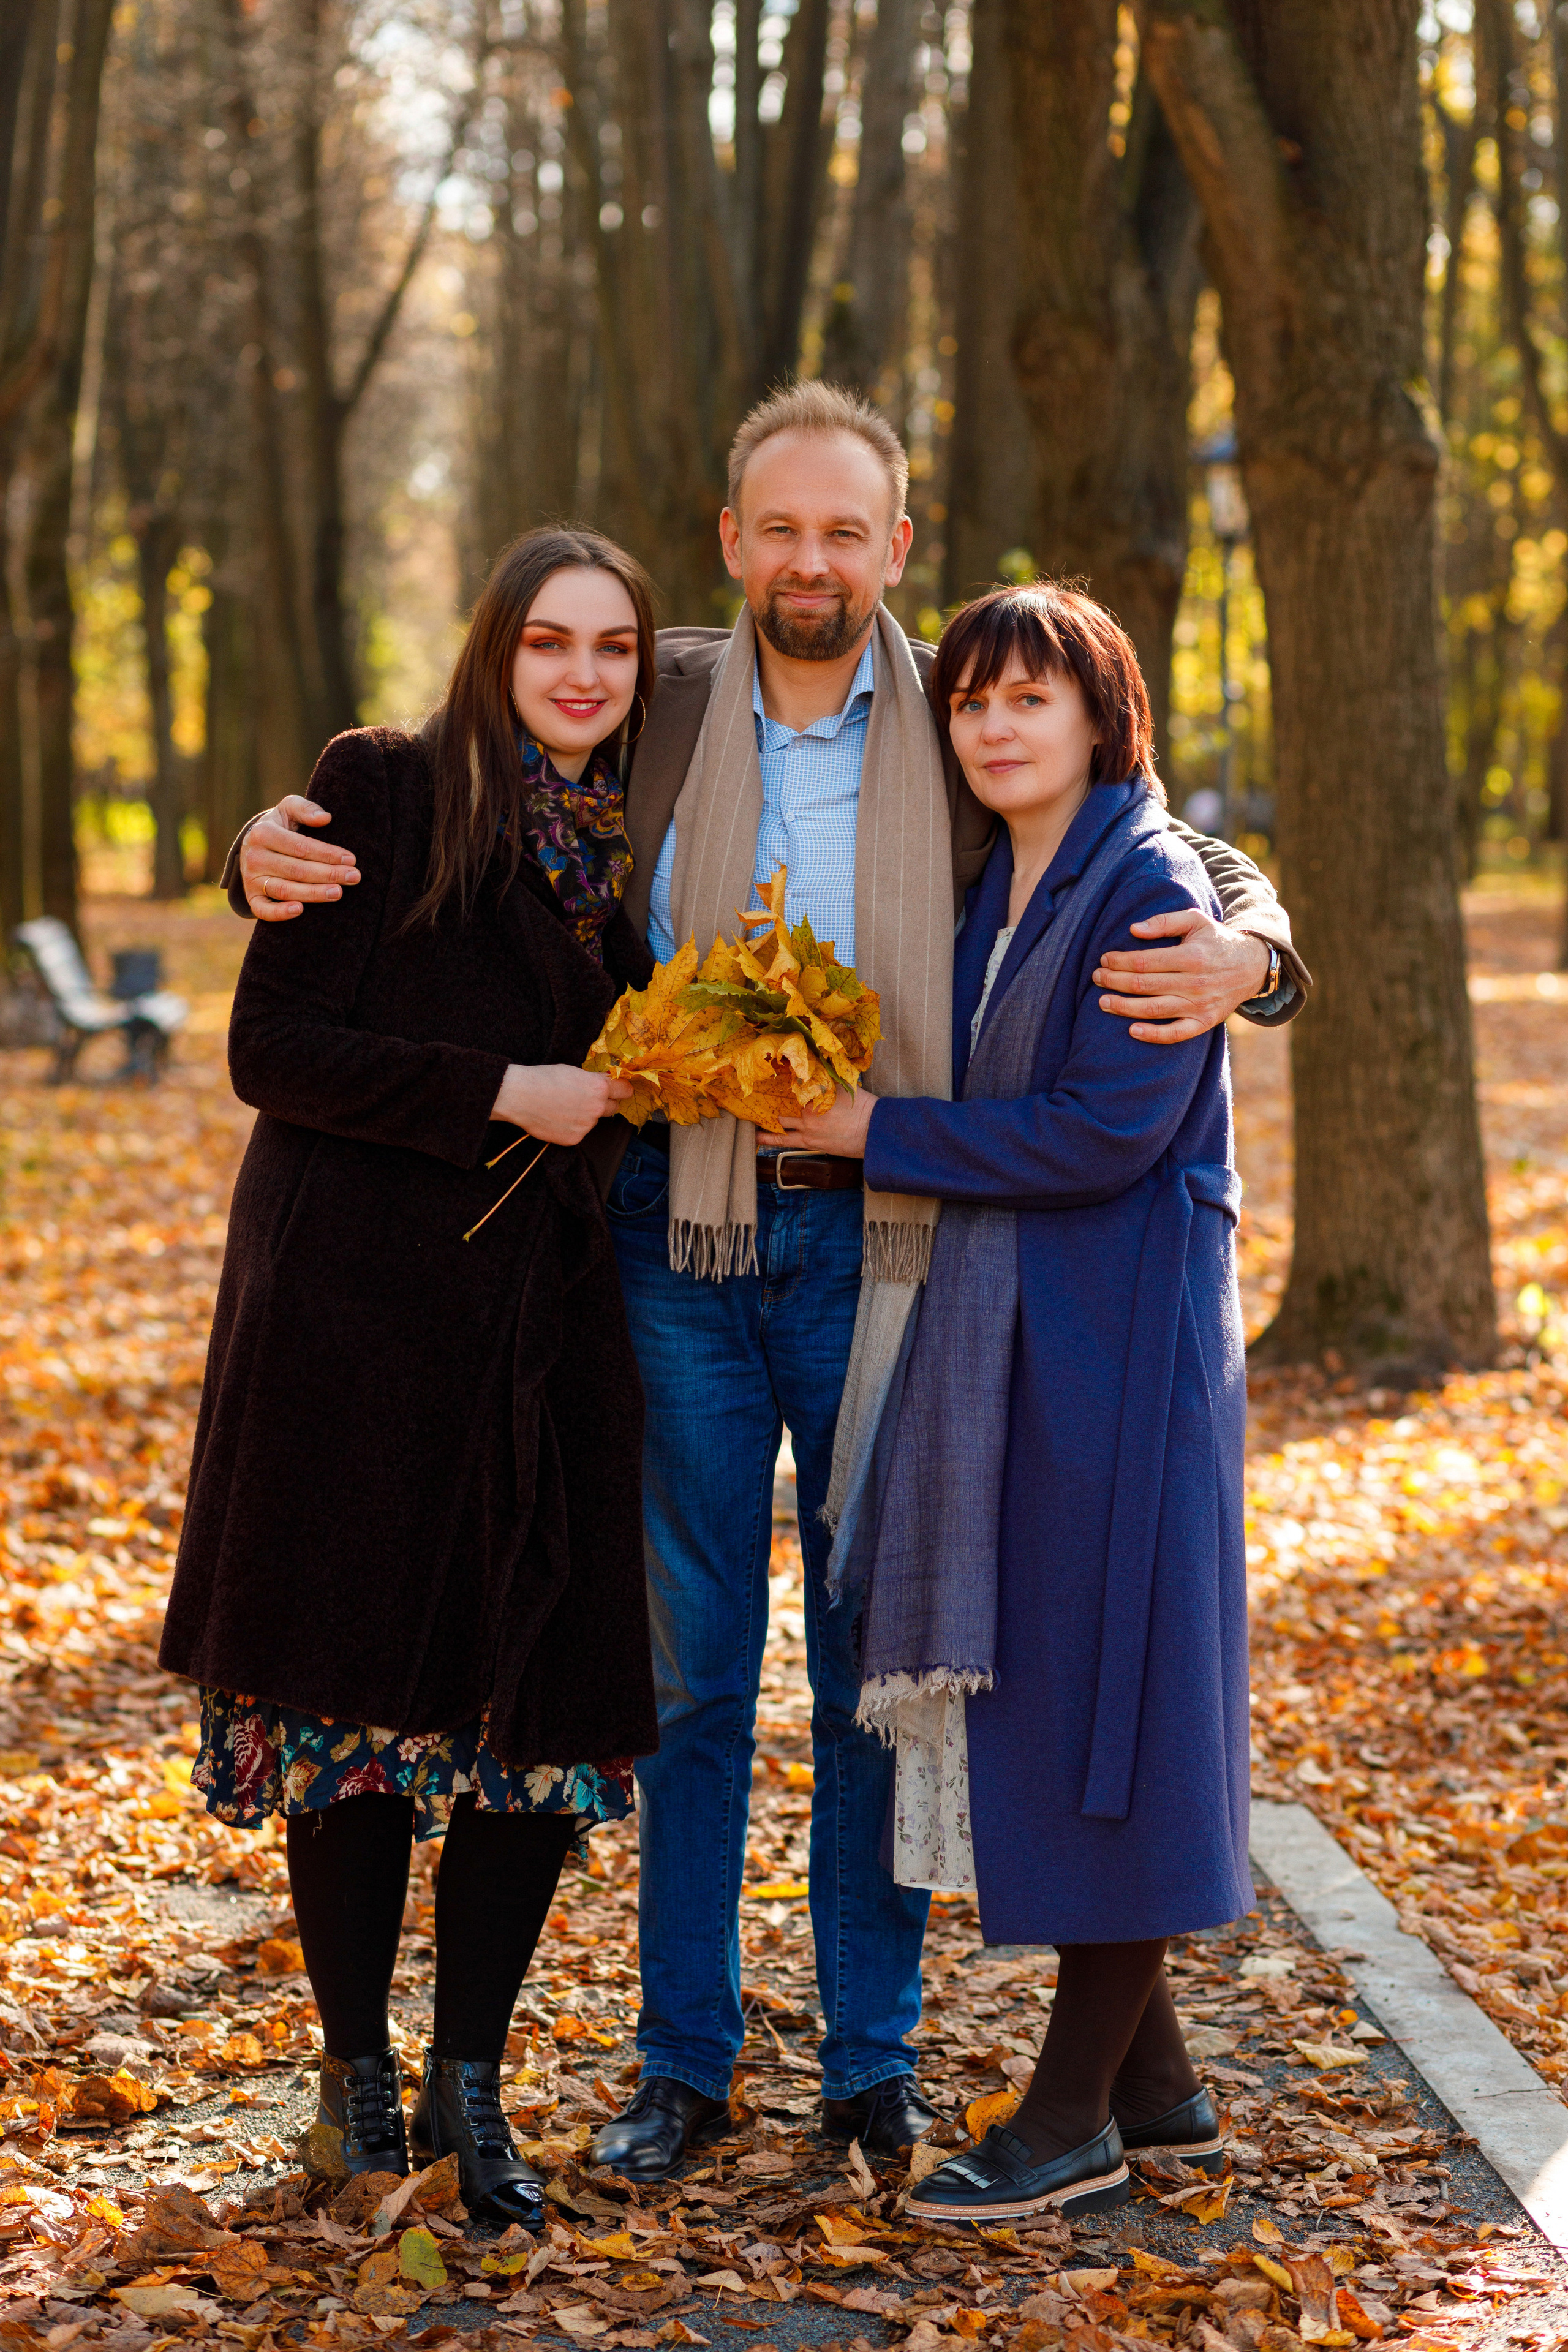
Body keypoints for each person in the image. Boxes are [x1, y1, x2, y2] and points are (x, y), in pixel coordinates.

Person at [220, 383, 1309, 2182]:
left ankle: (871, 2063)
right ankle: (684, 2061)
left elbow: (1161, 830)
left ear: (898, 543)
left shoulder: (967, 717)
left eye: (847, 531)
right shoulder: (660, 694)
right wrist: (280, 827)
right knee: (690, 1677)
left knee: (878, 1675)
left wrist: (1257, 949)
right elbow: (467, 747)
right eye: (778, 529)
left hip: (899, 1249)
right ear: (734, 544)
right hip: (676, 1241)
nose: (813, 562)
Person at [160, 527, 662, 2225]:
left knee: (541, 1725)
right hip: (355, 1333)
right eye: (546, 643)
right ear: (491, 652)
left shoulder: (651, 839)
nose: (581, 674)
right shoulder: (381, 790)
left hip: (550, 1331)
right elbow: (269, 1051)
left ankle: (473, 2088)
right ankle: (356, 2080)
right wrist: (503, 1090)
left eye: (612, 646)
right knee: (355, 1728)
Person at [763, 581, 1251, 2223]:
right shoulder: (1005, 870)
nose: (992, 725)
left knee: (1119, 1696)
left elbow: (1094, 1136)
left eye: (1029, 698)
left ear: (1103, 718)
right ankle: (1161, 2080)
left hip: (1123, 1353)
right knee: (1055, 1682)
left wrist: (869, 1133)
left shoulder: (1148, 885)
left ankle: (1071, 2115)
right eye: (970, 699)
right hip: (1028, 1341)